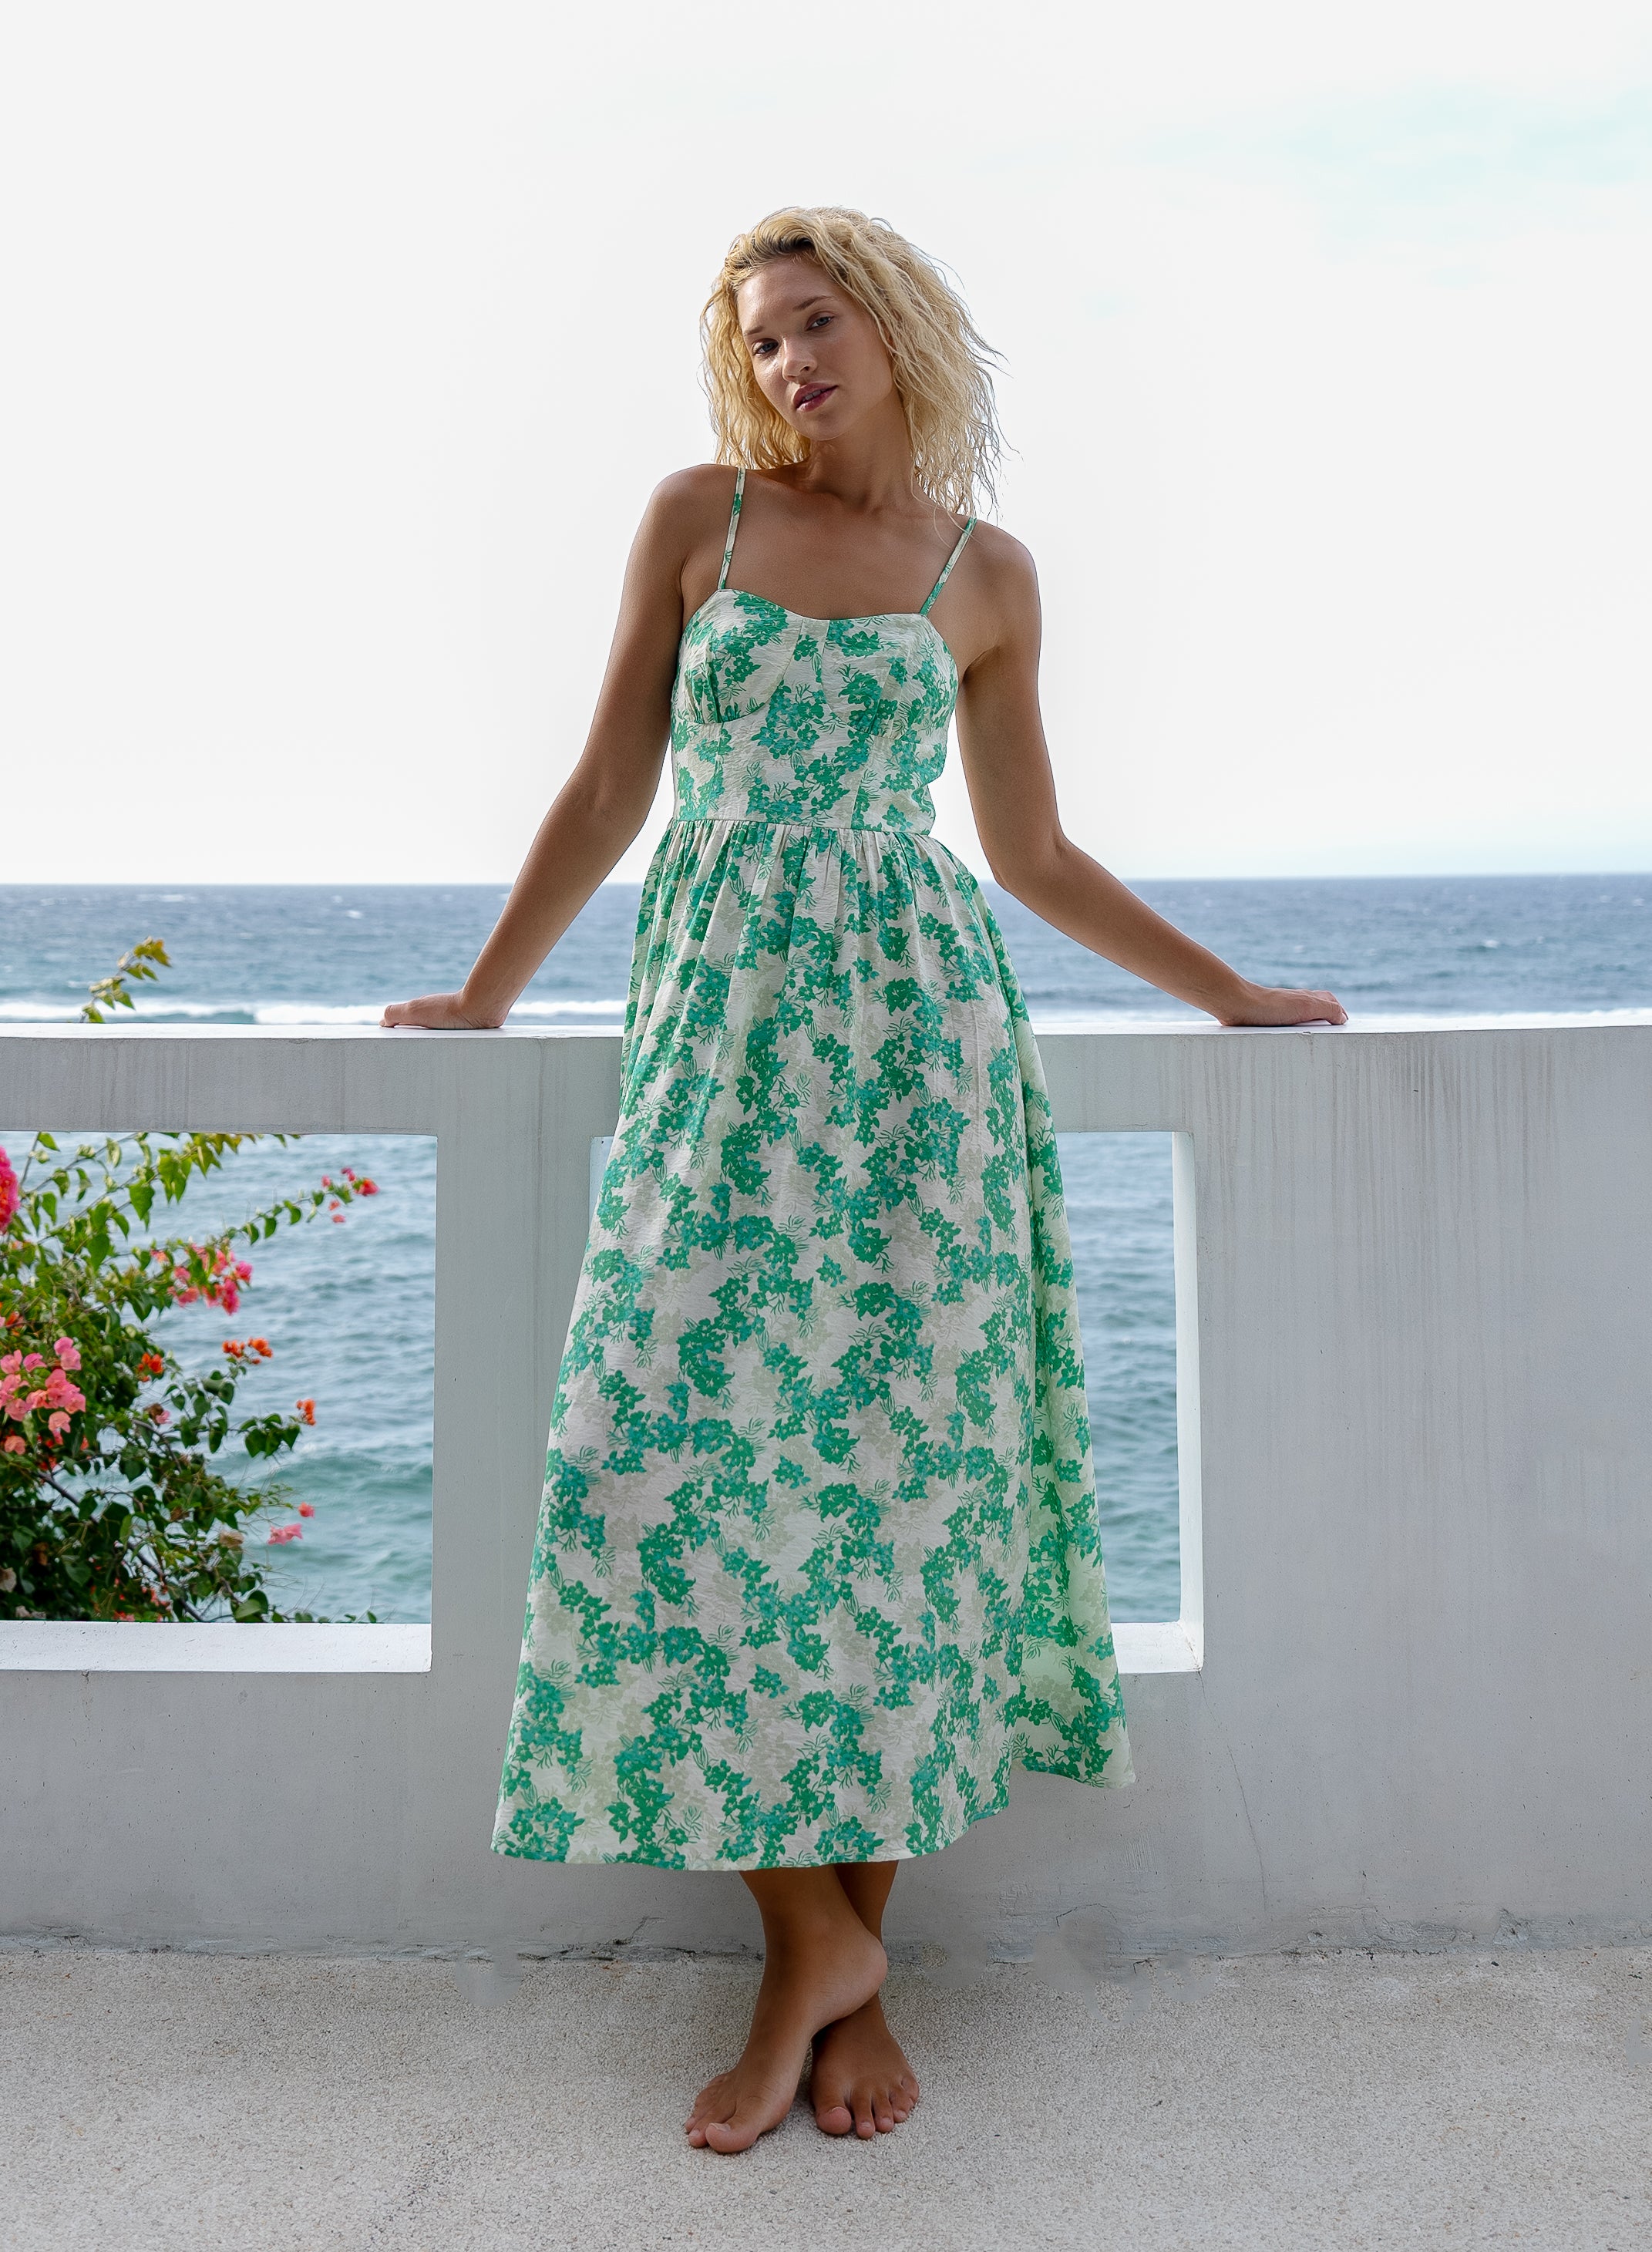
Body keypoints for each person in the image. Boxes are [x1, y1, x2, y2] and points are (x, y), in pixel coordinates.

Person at [385, 205, 1345, 2154]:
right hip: (716, 1070)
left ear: (893, 326)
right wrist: (488, 992)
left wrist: (1229, 988)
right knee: (652, 1461)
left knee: (905, 1496)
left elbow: (1035, 855)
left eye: (814, 325)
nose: (786, 366)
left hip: (919, 1065)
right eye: (758, 341)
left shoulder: (986, 575)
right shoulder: (698, 521)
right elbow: (604, 792)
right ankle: (811, 1936)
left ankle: (825, 1976)